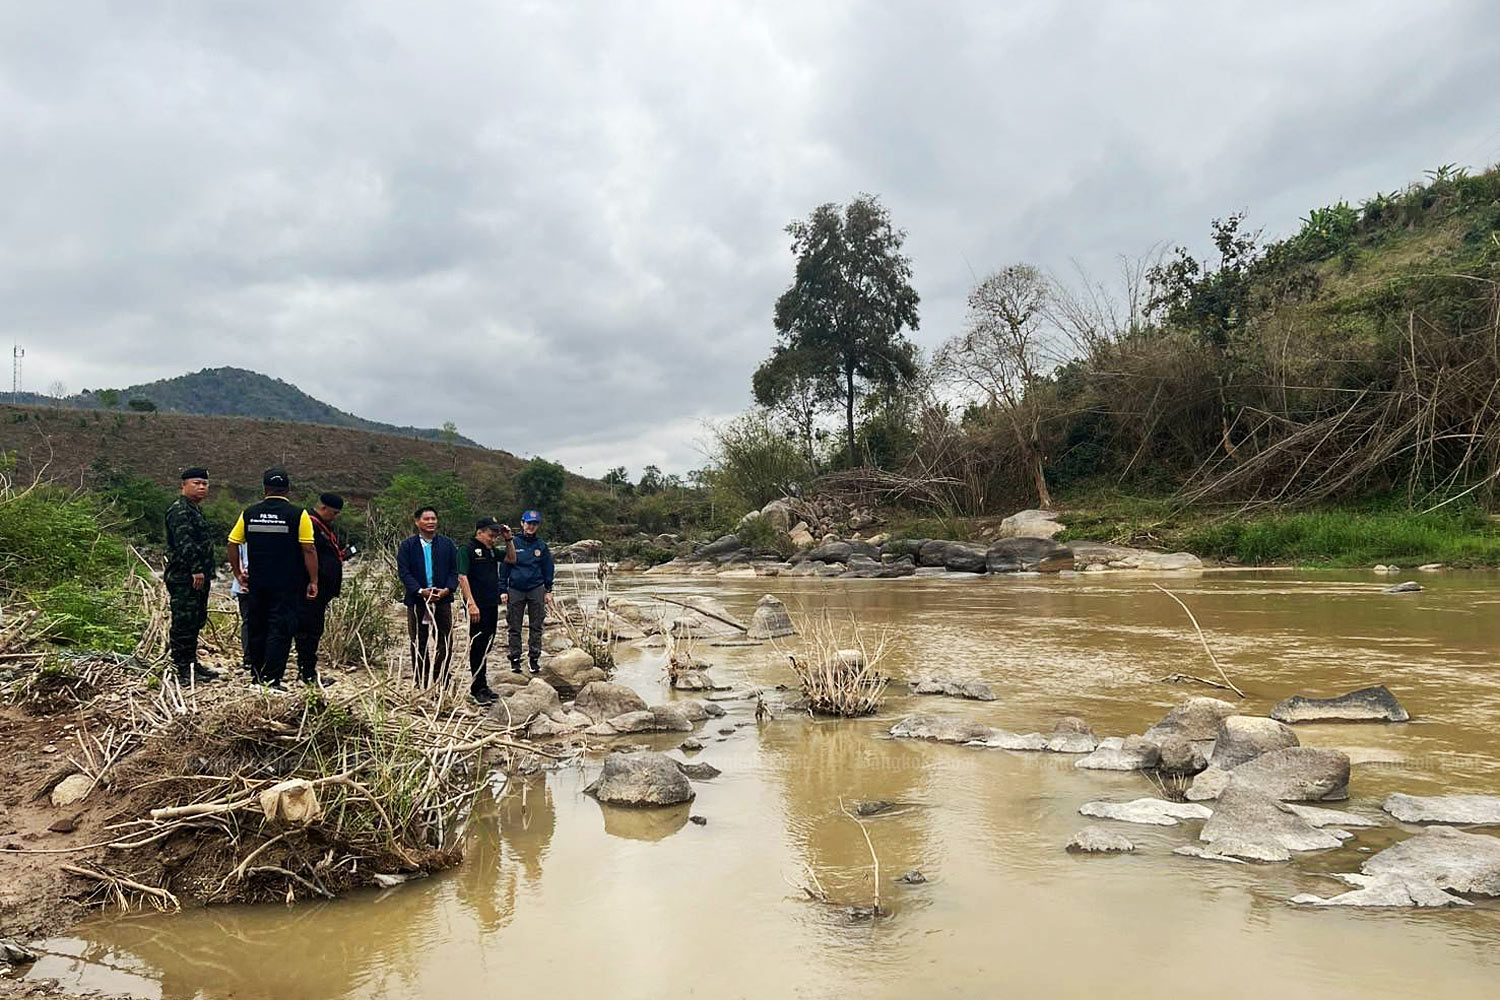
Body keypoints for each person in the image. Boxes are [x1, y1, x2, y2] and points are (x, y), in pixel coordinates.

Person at [228, 467, 319, 690]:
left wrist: (238, 573)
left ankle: (257, 676)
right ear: (288, 489)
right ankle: (272, 679)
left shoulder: (249, 512)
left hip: (257, 582)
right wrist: (314, 580)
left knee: (258, 626)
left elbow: (232, 543)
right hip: (287, 584)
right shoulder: (299, 514)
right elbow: (308, 549)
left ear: (265, 489)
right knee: (281, 628)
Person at [163, 466, 221, 686]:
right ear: (184, 485)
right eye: (196, 483)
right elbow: (184, 543)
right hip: (185, 575)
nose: (202, 487)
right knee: (184, 621)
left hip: (200, 575)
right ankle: (181, 668)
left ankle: (192, 664)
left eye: (205, 484)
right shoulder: (179, 510)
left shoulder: (194, 509)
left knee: (196, 619)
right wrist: (196, 569)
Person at [397, 506, 460, 687]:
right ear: (417, 522)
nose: (431, 522)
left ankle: (441, 677)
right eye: (426, 519)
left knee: (445, 640)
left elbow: (454, 570)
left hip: (442, 599)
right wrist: (419, 591)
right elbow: (404, 572)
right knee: (418, 641)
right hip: (418, 600)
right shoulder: (407, 546)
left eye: (433, 518)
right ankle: (421, 679)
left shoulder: (447, 544)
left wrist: (447, 589)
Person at [457, 517, 516, 704]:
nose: (493, 539)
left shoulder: (491, 551)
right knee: (478, 646)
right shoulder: (466, 550)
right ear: (479, 532)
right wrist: (471, 603)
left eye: (495, 536)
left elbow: (511, 559)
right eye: (491, 535)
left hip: (491, 604)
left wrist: (508, 539)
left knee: (488, 644)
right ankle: (477, 688)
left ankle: (483, 684)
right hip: (477, 606)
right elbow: (462, 577)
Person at [293, 493, 347, 687]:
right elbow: (308, 551)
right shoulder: (309, 523)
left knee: (313, 629)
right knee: (308, 630)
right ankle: (306, 673)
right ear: (323, 508)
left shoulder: (323, 526)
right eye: (334, 513)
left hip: (321, 589)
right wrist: (313, 580)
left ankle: (307, 670)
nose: (335, 516)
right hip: (309, 588)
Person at [502, 509, 554, 675]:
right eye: (528, 523)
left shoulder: (541, 546)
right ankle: (515, 659)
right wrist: (502, 589)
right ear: (522, 523)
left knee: (536, 625)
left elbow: (548, 569)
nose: (531, 526)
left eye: (534, 524)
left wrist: (549, 590)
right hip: (515, 588)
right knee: (514, 626)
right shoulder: (513, 543)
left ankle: (534, 658)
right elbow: (504, 567)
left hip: (536, 588)